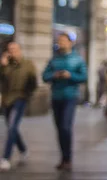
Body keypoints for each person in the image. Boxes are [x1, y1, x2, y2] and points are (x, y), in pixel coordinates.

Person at [42, 33, 87, 171]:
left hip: (70, 96)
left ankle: (68, 158)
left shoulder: (77, 59)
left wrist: (70, 75)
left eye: (63, 40)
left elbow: (83, 76)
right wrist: (54, 75)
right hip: (56, 96)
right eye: (59, 40)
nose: (61, 43)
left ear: (70, 43)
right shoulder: (54, 59)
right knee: (59, 128)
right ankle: (63, 157)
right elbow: (44, 76)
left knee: (65, 127)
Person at [0, 42, 37, 171]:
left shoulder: (28, 64)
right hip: (7, 100)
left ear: (20, 50)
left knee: (11, 127)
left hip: (20, 98)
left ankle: (5, 158)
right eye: (10, 50)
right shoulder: (6, 65)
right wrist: (3, 66)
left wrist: (27, 95)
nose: (12, 52)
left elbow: (33, 82)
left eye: (14, 49)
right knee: (12, 127)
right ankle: (23, 149)